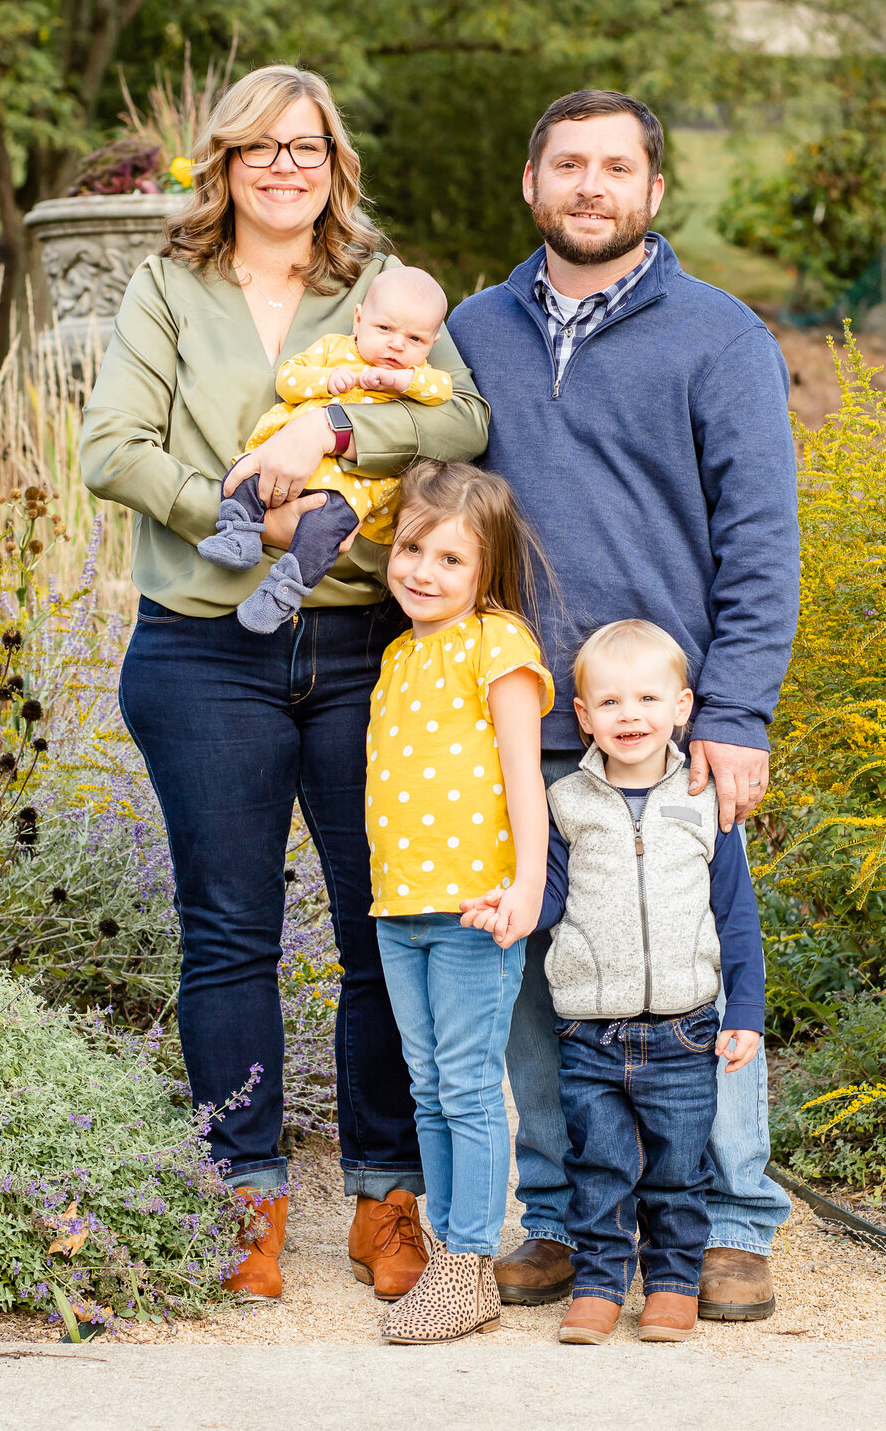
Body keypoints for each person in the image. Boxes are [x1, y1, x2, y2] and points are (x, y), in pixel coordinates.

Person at [80, 64, 490, 1303]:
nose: (283, 167)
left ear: (334, 161)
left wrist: (339, 433)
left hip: (369, 646)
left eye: (304, 147)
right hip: (207, 646)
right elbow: (110, 446)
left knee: (388, 927)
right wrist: (231, 517)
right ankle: (244, 1199)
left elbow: (462, 421)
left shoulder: (385, 289)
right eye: (258, 148)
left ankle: (387, 1198)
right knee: (227, 936)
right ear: (223, 163)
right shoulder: (166, 287)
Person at [448, 89, 799, 1322]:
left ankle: (730, 1223)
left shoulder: (719, 335)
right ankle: (558, 1217)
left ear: (653, 192)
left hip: (664, 723)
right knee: (547, 980)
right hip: (518, 715)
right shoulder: (472, 332)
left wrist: (737, 710)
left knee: (698, 965)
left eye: (617, 167)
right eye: (568, 165)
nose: (590, 185)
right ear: (532, 186)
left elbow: (760, 539)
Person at [466, 619, 765, 1345]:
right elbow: (553, 901)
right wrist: (510, 908)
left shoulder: (703, 801)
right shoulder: (567, 803)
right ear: (581, 716)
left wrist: (746, 1012)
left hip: (684, 1027)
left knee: (678, 1171)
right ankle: (599, 1285)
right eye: (609, 703)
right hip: (590, 1032)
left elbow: (737, 918)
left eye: (647, 699)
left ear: (683, 707)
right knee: (597, 1166)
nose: (629, 716)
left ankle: (669, 1286)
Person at [368, 461, 554, 1345]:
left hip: (478, 905)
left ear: (486, 573)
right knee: (430, 1085)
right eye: (412, 548)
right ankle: (447, 1248)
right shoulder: (399, 654)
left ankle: (470, 1264)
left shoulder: (499, 642)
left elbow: (525, 776)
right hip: (400, 908)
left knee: (472, 1086)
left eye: (451, 559)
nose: (424, 571)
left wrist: (528, 884)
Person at [198, 265, 452, 633]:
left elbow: (442, 389)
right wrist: (325, 380)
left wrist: (404, 380)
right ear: (359, 319)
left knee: (325, 530)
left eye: (415, 339)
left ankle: (282, 593)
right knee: (243, 479)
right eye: (385, 329)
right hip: (281, 459)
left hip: (349, 487)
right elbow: (288, 379)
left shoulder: (417, 378)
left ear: (432, 343)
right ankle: (238, 533)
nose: (397, 345)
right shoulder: (333, 349)